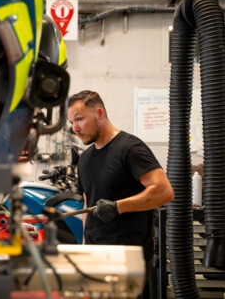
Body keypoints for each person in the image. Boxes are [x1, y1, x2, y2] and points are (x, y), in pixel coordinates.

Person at [66, 90, 174, 299]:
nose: (75, 129)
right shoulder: (85, 159)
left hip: (128, 258)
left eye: (80, 119)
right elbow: (88, 202)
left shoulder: (130, 148)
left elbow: (164, 191)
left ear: (100, 113)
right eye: (72, 123)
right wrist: (84, 248)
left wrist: (118, 207)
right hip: (97, 256)